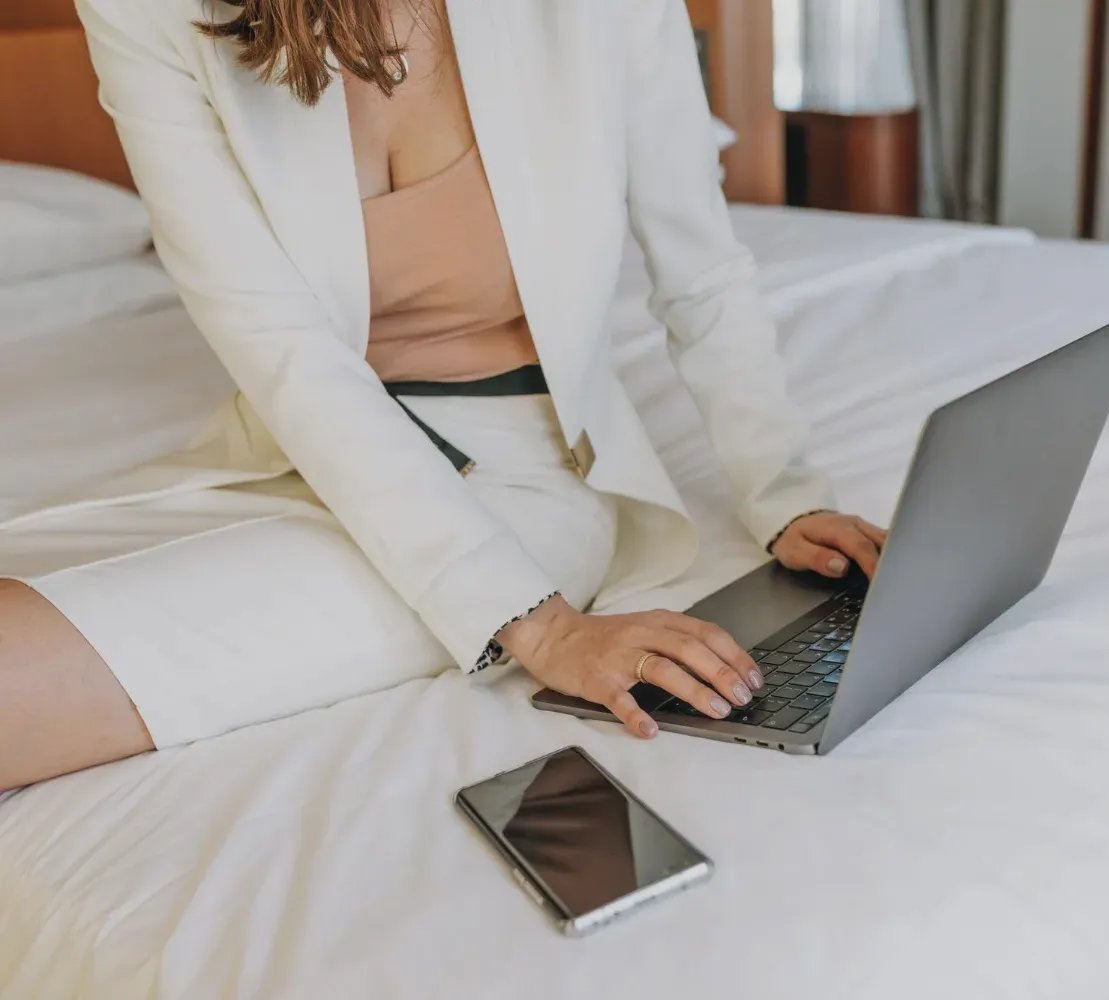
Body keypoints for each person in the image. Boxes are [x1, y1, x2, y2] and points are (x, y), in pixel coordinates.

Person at [0, 0, 886, 792]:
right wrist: (545, 632)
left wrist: (783, 493)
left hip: (520, 480)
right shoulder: (145, 10)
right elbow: (279, 346)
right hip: (286, 447)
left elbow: (702, 272)